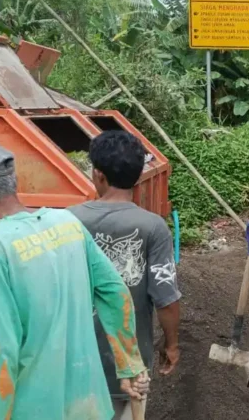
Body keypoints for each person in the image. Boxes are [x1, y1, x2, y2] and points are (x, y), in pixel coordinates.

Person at [0, 141, 148, 419]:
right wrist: (129, 365)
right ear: (12, 183)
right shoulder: (66, 223)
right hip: (88, 406)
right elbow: (115, 293)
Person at [68, 131, 182, 420]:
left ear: (98, 174)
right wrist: (171, 345)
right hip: (129, 363)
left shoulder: (66, 221)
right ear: (139, 173)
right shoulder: (152, 227)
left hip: (73, 361)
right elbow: (165, 298)